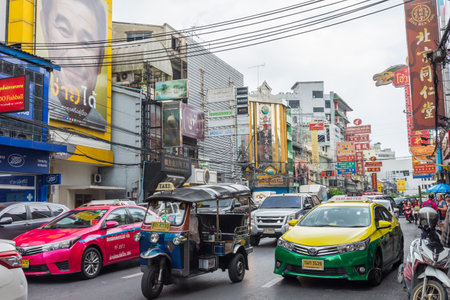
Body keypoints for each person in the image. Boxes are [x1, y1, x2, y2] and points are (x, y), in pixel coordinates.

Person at [40, 0, 108, 131]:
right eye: (64, 30)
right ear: (45, 28)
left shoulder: (101, 124)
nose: (74, 56)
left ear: (101, 58)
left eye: (87, 43)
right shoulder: (35, 108)